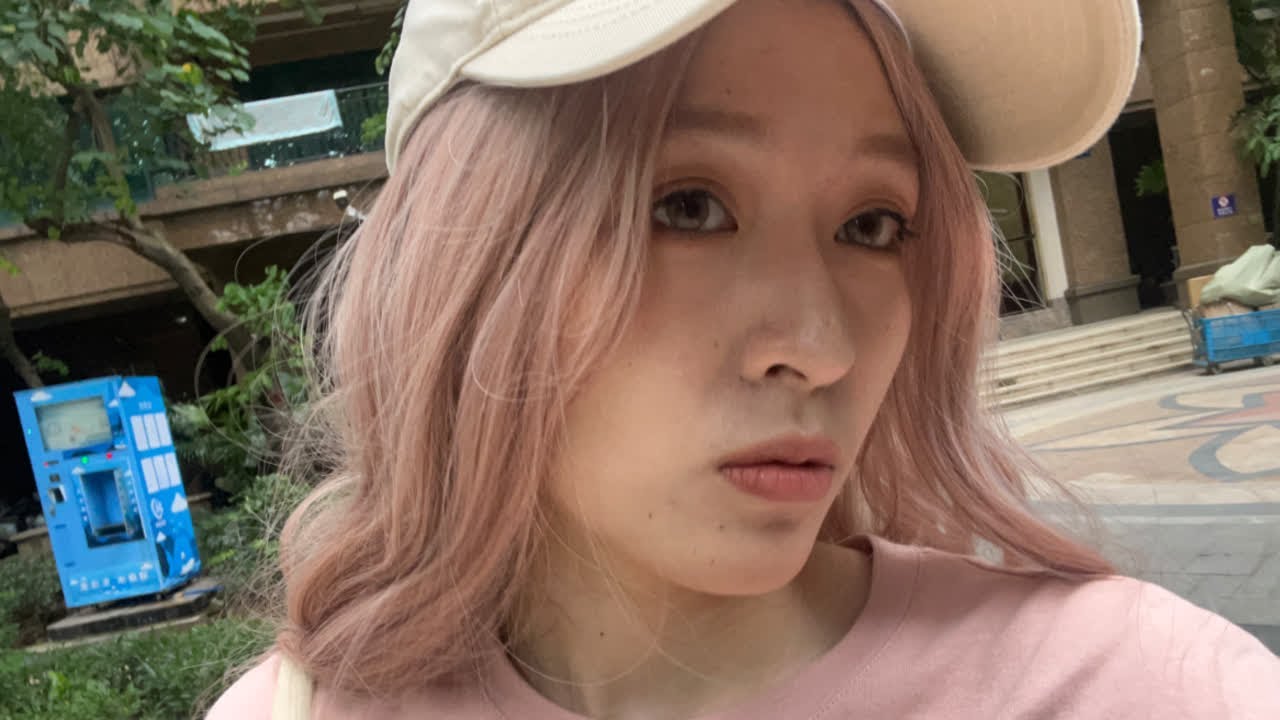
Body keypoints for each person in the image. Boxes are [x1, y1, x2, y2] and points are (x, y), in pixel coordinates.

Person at [207, 0, 1280, 717]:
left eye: (872, 225)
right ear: (466, 255)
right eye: (687, 206)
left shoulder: (1137, 687)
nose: (819, 348)